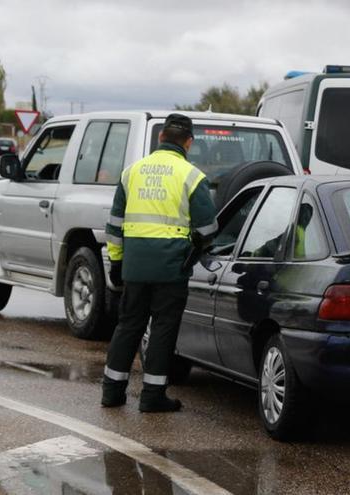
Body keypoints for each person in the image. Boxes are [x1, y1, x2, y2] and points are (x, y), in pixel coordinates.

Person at [101, 113, 218, 413]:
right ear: (188, 143)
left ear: (161, 138)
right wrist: (196, 249)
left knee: (128, 325)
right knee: (163, 329)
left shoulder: (132, 172)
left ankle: (112, 392)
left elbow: (115, 225)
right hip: (171, 267)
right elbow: (207, 230)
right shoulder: (192, 176)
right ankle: (152, 396)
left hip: (135, 266)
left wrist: (116, 262)